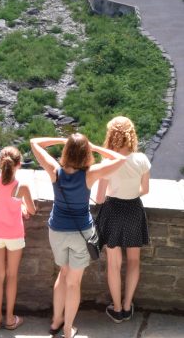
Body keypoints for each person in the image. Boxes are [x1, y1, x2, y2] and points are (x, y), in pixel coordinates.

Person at [30, 134, 126, 338]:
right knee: (73, 282)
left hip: (57, 231)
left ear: (66, 152)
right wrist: (95, 147)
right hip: (81, 234)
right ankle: (67, 330)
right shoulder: (89, 175)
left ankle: (56, 320)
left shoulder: (55, 171)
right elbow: (121, 159)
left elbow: (34, 143)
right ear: (86, 154)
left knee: (62, 275)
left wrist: (63, 140)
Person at [95, 116, 151, 323]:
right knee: (134, 261)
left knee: (113, 264)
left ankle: (117, 309)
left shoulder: (108, 162)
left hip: (112, 211)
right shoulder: (142, 159)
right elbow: (144, 190)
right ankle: (128, 306)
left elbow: (100, 198)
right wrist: (128, 192)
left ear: (111, 135)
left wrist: (114, 191)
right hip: (134, 210)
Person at [0, 146, 36, 330]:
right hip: (14, 235)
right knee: (12, 276)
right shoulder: (21, 187)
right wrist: (22, 205)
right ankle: (9, 318)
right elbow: (32, 210)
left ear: (1, 162)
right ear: (19, 165)